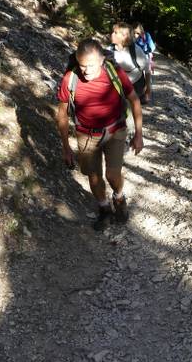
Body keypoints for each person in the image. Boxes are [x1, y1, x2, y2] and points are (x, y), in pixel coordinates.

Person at [56, 38, 143, 228]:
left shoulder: (115, 72)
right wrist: (65, 148)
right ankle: (104, 209)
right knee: (94, 176)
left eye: (91, 65)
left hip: (115, 130)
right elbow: (62, 115)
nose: (86, 71)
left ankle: (119, 197)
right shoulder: (70, 78)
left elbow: (135, 100)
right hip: (86, 135)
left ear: (103, 59)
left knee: (112, 175)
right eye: (82, 66)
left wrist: (138, 134)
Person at [108, 22, 152, 105]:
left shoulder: (136, 50)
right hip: (118, 86)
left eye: (115, 33)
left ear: (124, 36)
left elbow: (147, 69)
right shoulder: (109, 50)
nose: (112, 34)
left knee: (134, 105)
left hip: (136, 85)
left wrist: (148, 88)